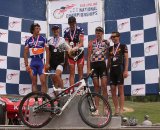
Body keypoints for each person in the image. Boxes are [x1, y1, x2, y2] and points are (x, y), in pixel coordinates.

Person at [87, 26, 110, 114]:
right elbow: (88, 56)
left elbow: (109, 55)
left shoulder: (106, 42)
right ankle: (96, 109)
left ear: (102, 33)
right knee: (96, 87)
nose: (98, 34)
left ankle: (106, 108)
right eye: (97, 32)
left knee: (104, 86)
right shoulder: (91, 43)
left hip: (102, 65)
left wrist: (108, 66)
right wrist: (89, 69)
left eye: (100, 32)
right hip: (94, 65)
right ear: (95, 33)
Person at [24, 23, 49, 93]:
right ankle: (36, 101)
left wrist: (47, 63)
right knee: (34, 82)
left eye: (39, 28)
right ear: (33, 30)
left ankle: (44, 100)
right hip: (33, 63)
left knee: (43, 81)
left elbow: (47, 52)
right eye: (36, 28)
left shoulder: (43, 39)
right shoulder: (28, 40)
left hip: (41, 63)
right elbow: (25, 53)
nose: (38, 30)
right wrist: (26, 65)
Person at [108, 31, 128, 116]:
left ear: (118, 37)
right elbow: (109, 61)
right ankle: (116, 109)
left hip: (120, 69)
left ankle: (121, 109)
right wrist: (106, 70)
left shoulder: (123, 46)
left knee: (120, 89)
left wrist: (126, 70)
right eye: (112, 37)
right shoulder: (110, 48)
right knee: (112, 89)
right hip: (112, 70)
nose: (113, 38)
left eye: (114, 36)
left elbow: (126, 59)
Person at [48, 25, 71, 90]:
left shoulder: (62, 40)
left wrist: (66, 62)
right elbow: (48, 53)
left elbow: (67, 51)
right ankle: (57, 98)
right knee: (54, 81)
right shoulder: (49, 40)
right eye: (54, 29)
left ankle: (64, 92)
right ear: (52, 31)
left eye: (57, 29)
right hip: (52, 63)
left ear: (59, 30)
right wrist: (47, 63)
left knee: (57, 75)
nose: (55, 30)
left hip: (60, 62)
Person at [64, 16, 84, 86]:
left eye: (73, 23)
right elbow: (66, 43)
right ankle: (71, 90)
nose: (72, 24)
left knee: (80, 72)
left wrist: (75, 48)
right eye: (70, 23)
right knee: (72, 72)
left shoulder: (80, 29)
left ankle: (81, 90)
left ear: (75, 22)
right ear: (68, 23)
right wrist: (69, 50)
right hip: (71, 53)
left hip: (79, 52)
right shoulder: (66, 31)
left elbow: (81, 43)